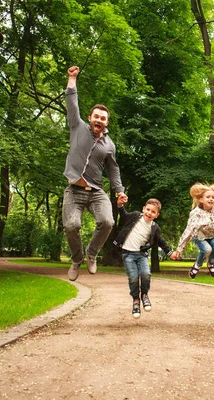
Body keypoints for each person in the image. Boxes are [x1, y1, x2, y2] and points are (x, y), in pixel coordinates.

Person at [63, 65, 128, 281]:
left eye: (103, 118)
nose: (99, 120)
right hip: (74, 190)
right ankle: (76, 259)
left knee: (108, 222)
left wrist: (119, 191)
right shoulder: (77, 127)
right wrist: (72, 79)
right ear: (90, 117)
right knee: (72, 225)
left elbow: (113, 169)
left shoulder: (110, 145)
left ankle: (91, 254)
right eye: (96, 116)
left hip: (97, 191)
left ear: (107, 122)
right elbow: (72, 101)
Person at [113, 197, 173, 319]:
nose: (149, 213)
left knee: (146, 274)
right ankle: (136, 300)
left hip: (141, 255)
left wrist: (170, 253)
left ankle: (144, 295)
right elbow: (124, 215)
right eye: (148, 209)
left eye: (153, 212)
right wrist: (120, 206)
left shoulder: (155, 228)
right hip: (127, 254)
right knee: (133, 278)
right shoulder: (135, 216)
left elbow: (161, 241)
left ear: (157, 215)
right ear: (143, 209)